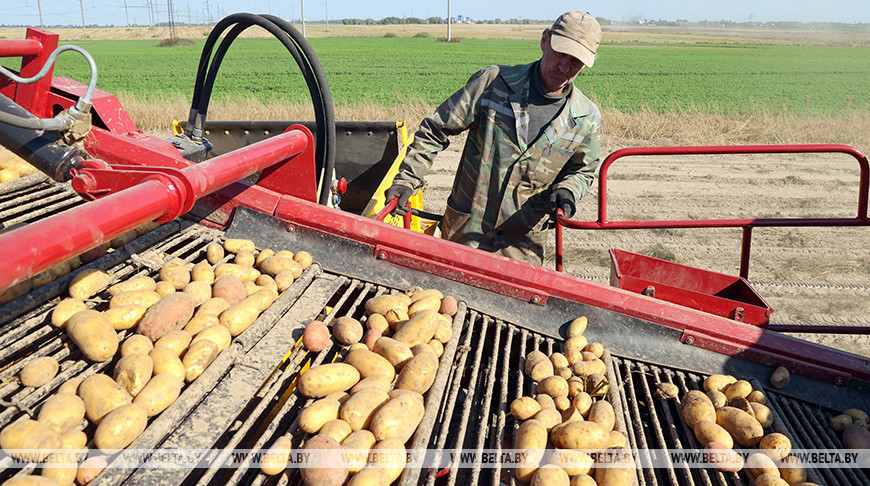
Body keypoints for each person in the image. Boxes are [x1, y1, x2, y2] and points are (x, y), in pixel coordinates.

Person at [384, 10, 603, 265]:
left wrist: (568, 191)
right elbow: (436, 129)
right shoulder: (493, 84)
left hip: (521, 248)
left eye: (576, 61)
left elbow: (582, 171)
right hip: (465, 236)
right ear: (545, 41)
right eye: (561, 54)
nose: (565, 66)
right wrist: (407, 179)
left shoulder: (585, 117)